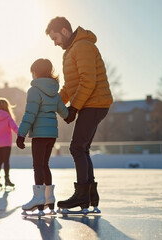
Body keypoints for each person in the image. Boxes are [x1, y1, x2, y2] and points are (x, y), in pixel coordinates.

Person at [45, 17, 113, 211]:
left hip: (95, 103)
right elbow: (70, 86)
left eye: (55, 37)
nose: (55, 42)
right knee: (81, 148)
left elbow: (88, 81)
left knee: (77, 147)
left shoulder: (82, 46)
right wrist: (54, 103)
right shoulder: (70, 52)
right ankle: (90, 195)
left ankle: (82, 195)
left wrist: (73, 108)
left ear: (65, 31)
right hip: (90, 103)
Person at [16, 59, 68, 215]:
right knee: (45, 165)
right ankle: (49, 199)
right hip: (51, 134)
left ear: (36, 72)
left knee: (38, 165)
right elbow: (65, 113)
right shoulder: (54, 91)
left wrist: (21, 134)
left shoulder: (34, 90)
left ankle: (39, 200)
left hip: (39, 134)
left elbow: (30, 114)